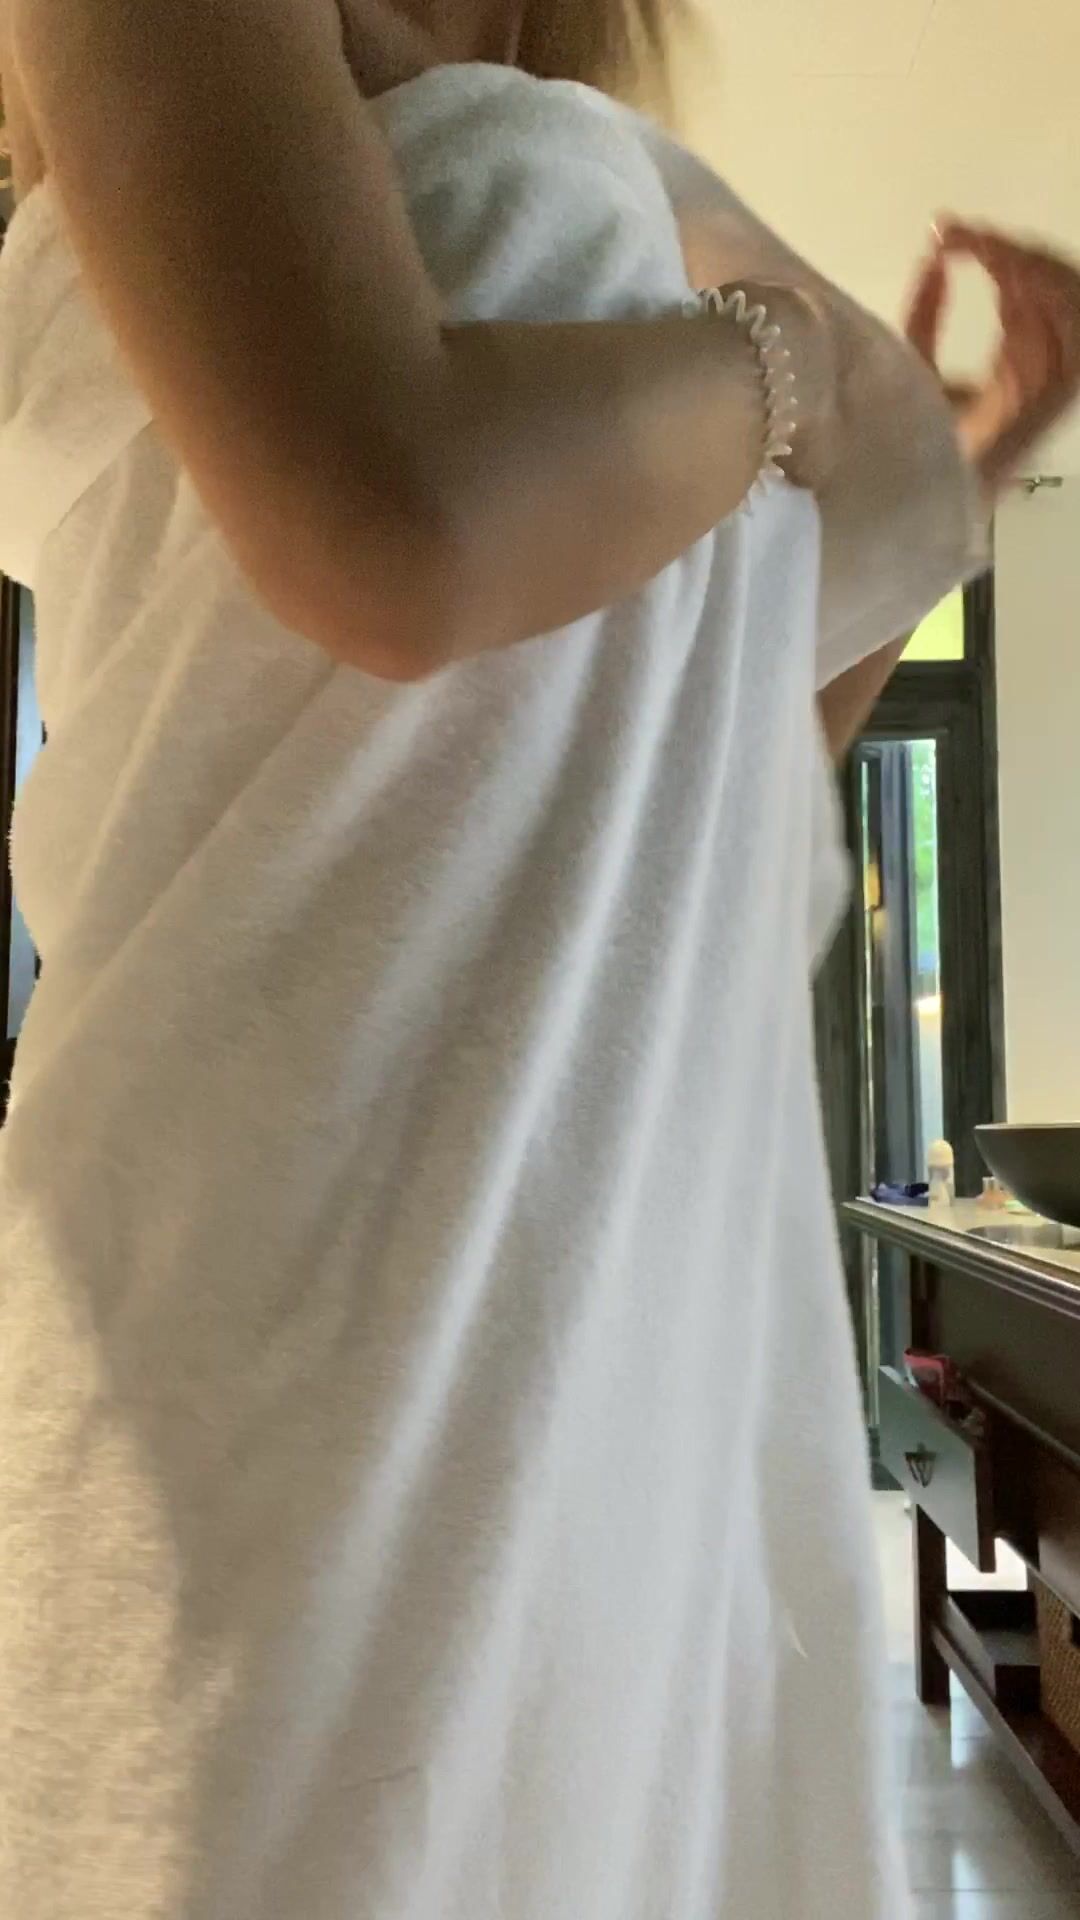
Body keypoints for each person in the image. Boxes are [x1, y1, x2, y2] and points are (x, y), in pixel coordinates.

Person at [0, 3, 1077, 1916]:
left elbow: (697, 781)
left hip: (596, 1337)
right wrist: (782, 365)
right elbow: (395, 521)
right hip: (275, 1304)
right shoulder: (675, 275)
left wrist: (949, 470)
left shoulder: (619, 199)